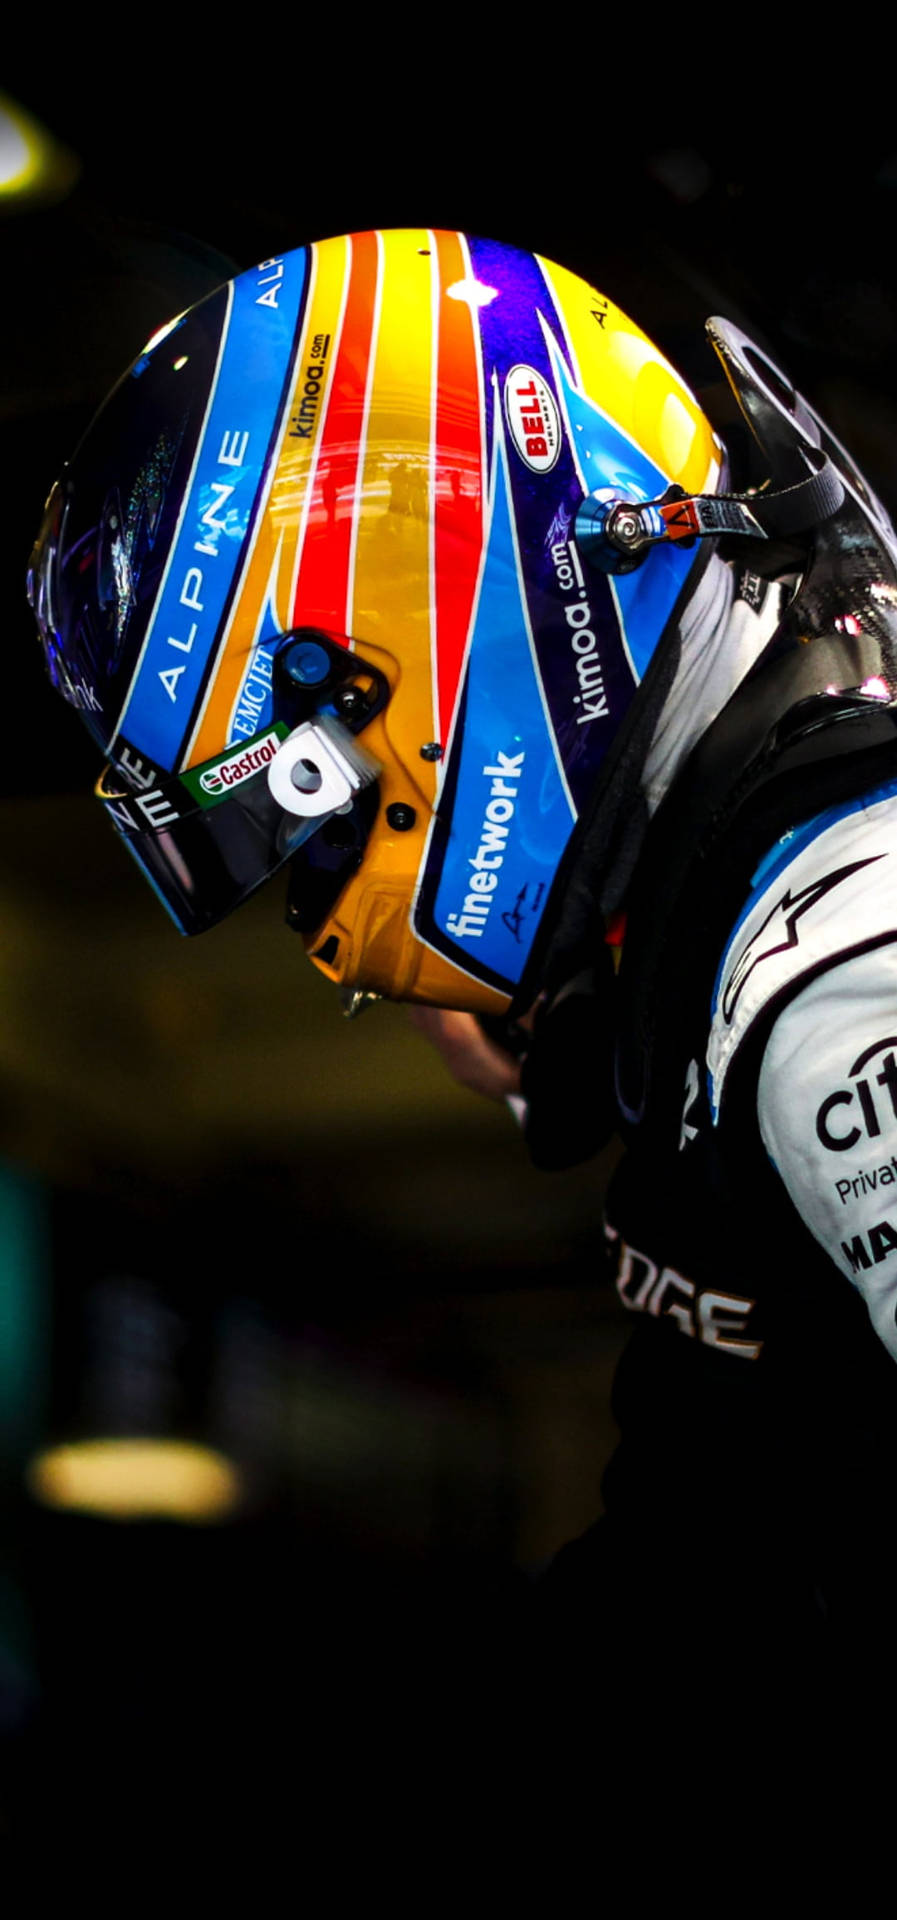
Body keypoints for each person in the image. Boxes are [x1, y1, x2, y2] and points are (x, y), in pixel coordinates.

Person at [27, 228, 897, 1693]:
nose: (321, 926)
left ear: (415, 642)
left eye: (308, 824)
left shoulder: (838, 971)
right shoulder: (759, 886)